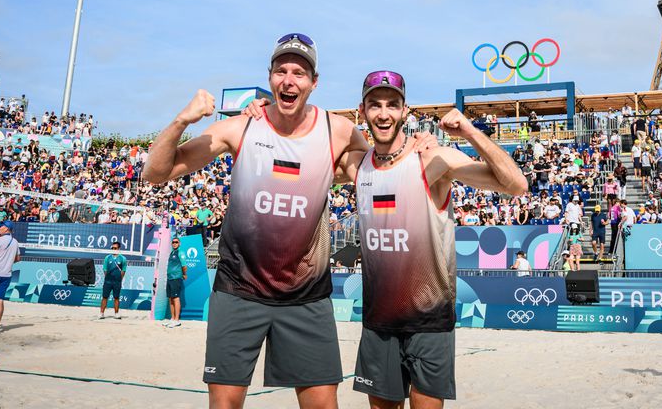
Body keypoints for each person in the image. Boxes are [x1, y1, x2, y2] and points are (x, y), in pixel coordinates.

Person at [142, 33, 373, 409]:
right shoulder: (241, 128)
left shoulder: (337, 130)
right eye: (281, 70)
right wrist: (182, 120)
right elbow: (155, 173)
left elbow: (373, 167)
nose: (289, 80)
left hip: (306, 296)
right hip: (239, 291)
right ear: (269, 77)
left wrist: (414, 145)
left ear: (315, 82)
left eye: (299, 73)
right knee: (226, 404)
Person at [348, 71, 526, 409]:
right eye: (374, 105)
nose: (383, 113)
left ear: (405, 111)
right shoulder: (358, 166)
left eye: (392, 105)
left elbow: (516, 185)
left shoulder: (431, 159)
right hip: (378, 319)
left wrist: (471, 131)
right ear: (362, 110)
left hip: (429, 319)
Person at [98, 240, 127, 319]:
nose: (113, 249)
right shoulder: (107, 257)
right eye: (112, 248)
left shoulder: (123, 258)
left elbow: (123, 270)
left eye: (115, 248)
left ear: (118, 249)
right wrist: (108, 277)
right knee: (104, 297)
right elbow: (105, 269)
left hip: (117, 282)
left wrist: (119, 278)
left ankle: (116, 313)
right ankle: (101, 313)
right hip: (108, 281)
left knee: (116, 298)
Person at [164, 235, 187, 327]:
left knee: (176, 298)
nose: (174, 243)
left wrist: (184, 274)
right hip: (169, 278)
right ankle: (172, 318)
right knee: (170, 298)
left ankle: (177, 320)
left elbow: (184, 266)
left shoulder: (180, 252)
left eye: (176, 242)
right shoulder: (172, 252)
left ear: (179, 243)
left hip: (176, 278)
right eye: (173, 242)